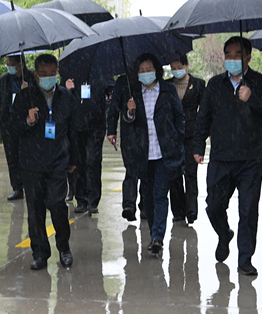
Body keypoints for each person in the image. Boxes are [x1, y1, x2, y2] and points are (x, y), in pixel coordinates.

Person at [193, 36, 262, 276]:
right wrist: (198, 146)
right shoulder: (214, 85)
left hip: (251, 159)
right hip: (221, 158)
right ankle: (224, 234)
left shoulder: (261, 83)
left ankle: (245, 259)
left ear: (248, 57)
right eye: (228, 54)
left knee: (248, 210)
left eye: (237, 54)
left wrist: (252, 98)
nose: (231, 59)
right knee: (213, 206)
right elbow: (203, 118)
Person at [11, 54, 77, 270]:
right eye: (44, 74)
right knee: (35, 209)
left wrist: (74, 159)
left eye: (52, 73)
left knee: (57, 204)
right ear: (36, 75)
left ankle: (64, 248)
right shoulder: (25, 96)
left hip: (58, 159)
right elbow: (13, 127)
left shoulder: (66, 96)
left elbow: (73, 130)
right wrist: (28, 120)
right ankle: (39, 253)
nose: (48, 77)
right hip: (32, 162)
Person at [122, 53, 185, 255]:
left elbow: (179, 116)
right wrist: (130, 111)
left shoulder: (168, 90)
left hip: (164, 151)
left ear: (156, 70)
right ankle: (152, 233)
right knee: (147, 197)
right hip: (143, 153)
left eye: (148, 69)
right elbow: (127, 122)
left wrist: (177, 138)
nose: (145, 73)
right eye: (142, 70)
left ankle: (158, 237)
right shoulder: (134, 93)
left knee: (160, 195)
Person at [167, 55, 206, 224]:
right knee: (174, 175)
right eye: (173, 68)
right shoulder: (167, 86)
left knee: (190, 173)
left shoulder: (198, 84)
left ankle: (191, 210)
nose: (177, 71)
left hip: (192, 135)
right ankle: (178, 211)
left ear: (187, 65)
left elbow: (205, 111)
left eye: (179, 67)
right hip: (172, 136)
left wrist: (204, 134)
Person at [63, 73, 106, 214]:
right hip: (76, 126)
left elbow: (109, 95)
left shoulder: (100, 72)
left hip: (96, 126)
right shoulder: (70, 73)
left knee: (93, 162)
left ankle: (93, 200)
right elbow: (62, 100)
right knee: (78, 163)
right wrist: (68, 90)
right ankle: (81, 199)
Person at [0, 54, 34, 200]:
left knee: (27, 156)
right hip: (9, 125)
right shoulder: (4, 80)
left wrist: (26, 91)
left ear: (21, 64)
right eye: (7, 63)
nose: (9, 66)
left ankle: (30, 185)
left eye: (11, 64)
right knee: (12, 157)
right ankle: (17, 187)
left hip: (26, 123)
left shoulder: (31, 77)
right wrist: (2, 120)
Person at [107, 73, 145, 221]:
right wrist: (111, 130)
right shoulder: (123, 82)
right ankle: (129, 206)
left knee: (147, 171)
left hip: (149, 134)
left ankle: (146, 206)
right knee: (131, 170)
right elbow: (114, 108)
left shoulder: (153, 82)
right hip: (129, 134)